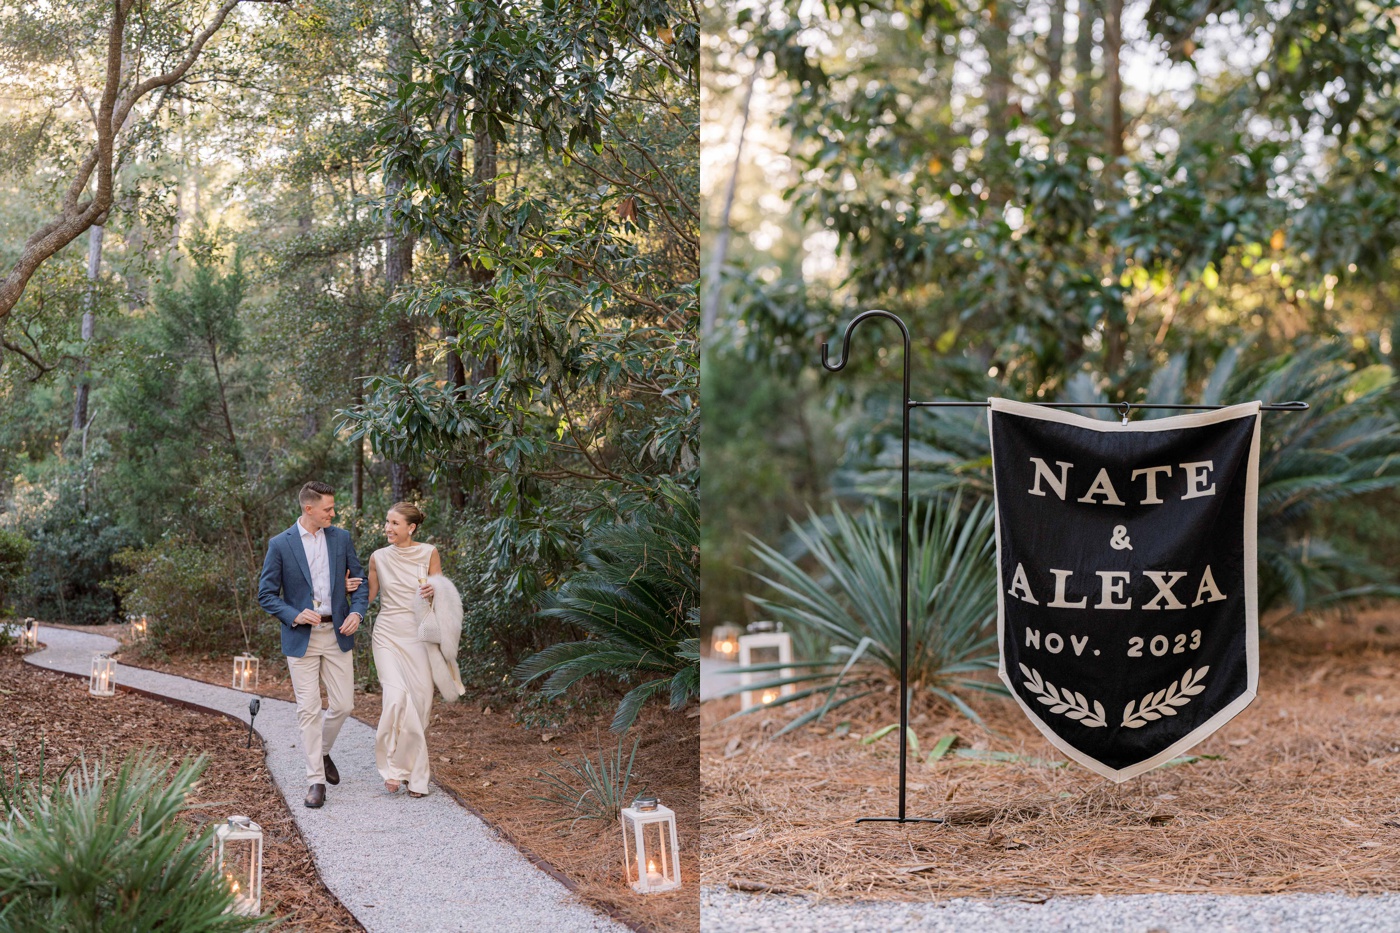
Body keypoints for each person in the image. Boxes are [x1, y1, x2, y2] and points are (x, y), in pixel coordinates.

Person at [257, 481, 368, 809]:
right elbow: (266, 595)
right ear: (309, 509)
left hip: (337, 635)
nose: (333, 513)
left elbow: (358, 584)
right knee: (308, 710)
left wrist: (358, 613)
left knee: (344, 705)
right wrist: (293, 614)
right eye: (328, 509)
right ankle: (315, 780)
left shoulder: (341, 538)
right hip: (300, 637)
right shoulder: (280, 544)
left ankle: (320, 751)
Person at [366, 501, 449, 797]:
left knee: (420, 704)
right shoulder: (378, 557)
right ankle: (402, 773)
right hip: (387, 633)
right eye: (387, 522)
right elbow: (369, 595)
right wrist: (349, 589)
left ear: (411, 527)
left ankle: (405, 771)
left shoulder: (429, 553)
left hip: (419, 634)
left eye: (395, 523)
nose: (388, 528)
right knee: (396, 698)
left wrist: (435, 590)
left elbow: (441, 594)